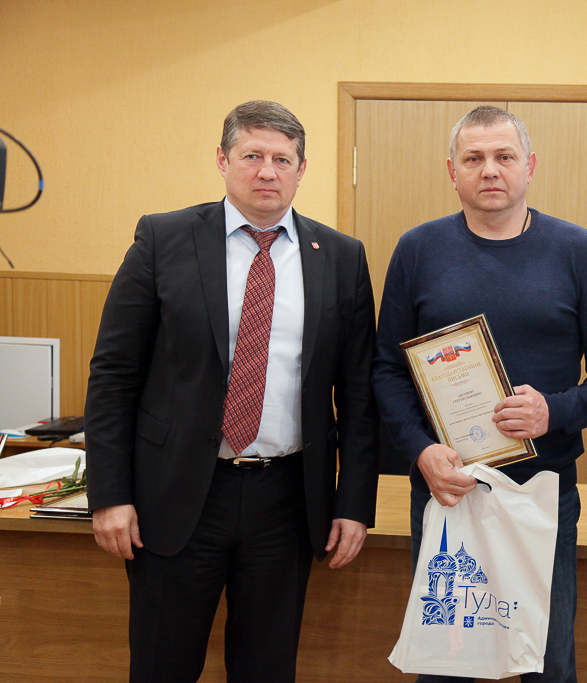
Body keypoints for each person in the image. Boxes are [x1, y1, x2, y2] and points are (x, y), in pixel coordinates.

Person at [85, 100, 379, 683]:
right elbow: (114, 373)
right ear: (222, 160)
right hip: (176, 496)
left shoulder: (341, 257)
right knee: (162, 667)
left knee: (266, 669)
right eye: (252, 156)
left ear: (301, 169)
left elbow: (359, 393)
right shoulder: (163, 238)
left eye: (282, 159)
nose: (267, 171)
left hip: (287, 502)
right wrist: (109, 494)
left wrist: (354, 503)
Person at [372, 105, 587, 682]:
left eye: (504, 156)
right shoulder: (417, 250)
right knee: (447, 668)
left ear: (530, 166)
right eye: (473, 158)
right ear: (452, 171)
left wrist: (554, 411)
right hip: (446, 491)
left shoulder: (577, 250)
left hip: (542, 493)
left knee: (547, 663)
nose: (489, 170)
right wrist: (420, 450)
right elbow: (387, 370)